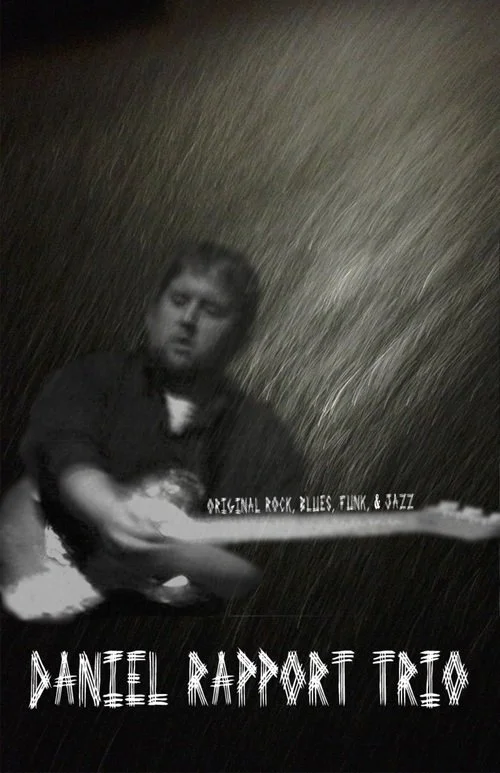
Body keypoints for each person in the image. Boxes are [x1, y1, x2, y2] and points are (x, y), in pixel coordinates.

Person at [0, 241, 305, 620]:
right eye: (179, 300)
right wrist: (112, 511)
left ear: (241, 338)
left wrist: (166, 552)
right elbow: (65, 458)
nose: (189, 319)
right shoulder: (91, 380)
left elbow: (259, 574)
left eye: (211, 309)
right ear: (151, 313)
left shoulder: (264, 440)